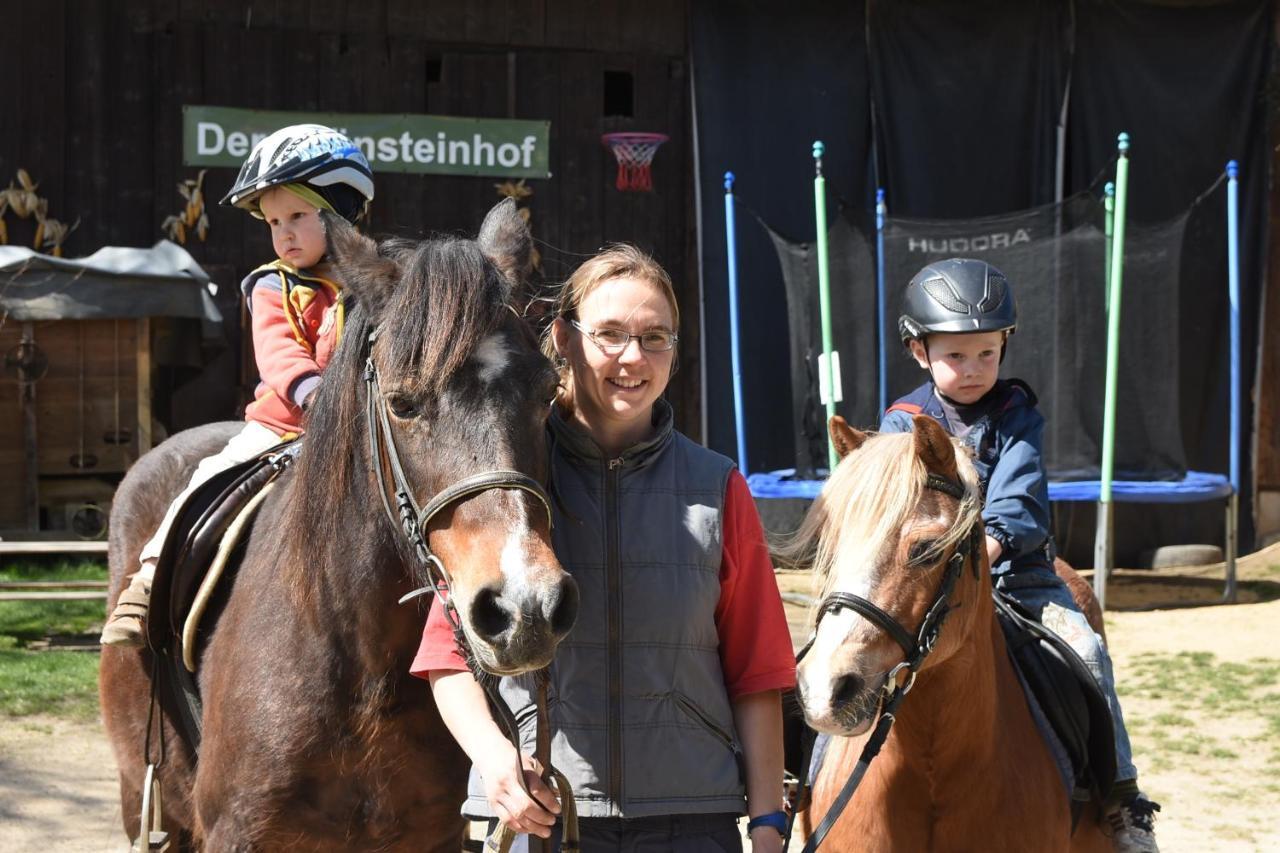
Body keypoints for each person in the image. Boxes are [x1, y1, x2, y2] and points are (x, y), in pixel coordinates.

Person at [411, 245, 797, 852]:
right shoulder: (510, 481)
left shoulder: (718, 486)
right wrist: (495, 764)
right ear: (563, 339)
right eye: (610, 334)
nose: (632, 358)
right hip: (540, 817)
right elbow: (447, 656)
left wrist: (771, 821)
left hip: (693, 820)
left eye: (655, 338)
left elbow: (757, 671)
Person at [880, 258, 1160, 853]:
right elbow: (887, 509)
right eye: (956, 356)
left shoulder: (1018, 417)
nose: (975, 369)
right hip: (926, 584)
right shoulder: (901, 425)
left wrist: (984, 546)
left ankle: (1121, 797)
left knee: (1085, 649)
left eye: (988, 353)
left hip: (1015, 577)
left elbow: (1019, 501)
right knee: (851, 653)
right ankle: (805, 778)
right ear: (918, 350)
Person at [100, 124, 375, 647]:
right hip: (283, 427)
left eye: (298, 215)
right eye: (274, 221)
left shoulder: (381, 280)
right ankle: (150, 578)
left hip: (366, 431)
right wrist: (314, 393)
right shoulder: (274, 285)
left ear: (344, 212)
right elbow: (279, 354)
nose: (284, 233)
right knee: (208, 479)